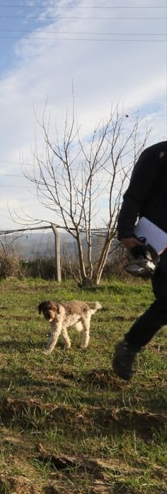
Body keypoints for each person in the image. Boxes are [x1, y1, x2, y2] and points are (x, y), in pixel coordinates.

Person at [112, 140, 167, 381]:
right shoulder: (157, 155)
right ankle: (129, 346)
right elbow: (133, 197)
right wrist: (125, 234)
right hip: (158, 245)